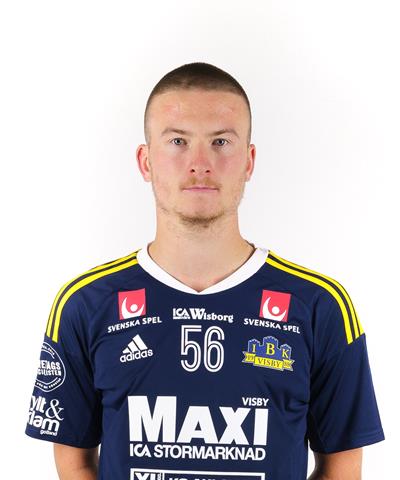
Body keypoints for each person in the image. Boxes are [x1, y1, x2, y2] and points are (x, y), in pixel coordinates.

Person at [25, 62, 384, 480]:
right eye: (178, 141)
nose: (200, 163)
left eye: (221, 142)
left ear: (249, 161)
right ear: (146, 161)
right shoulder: (86, 304)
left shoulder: (320, 306)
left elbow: (343, 465)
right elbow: (74, 461)